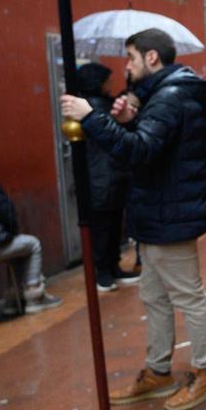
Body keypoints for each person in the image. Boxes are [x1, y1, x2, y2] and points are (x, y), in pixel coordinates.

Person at [60, 28, 206, 410]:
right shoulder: (162, 97)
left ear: (152, 58)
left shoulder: (169, 98)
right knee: (154, 296)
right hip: (157, 212)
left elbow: (139, 152)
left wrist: (91, 117)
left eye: (132, 58)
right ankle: (158, 371)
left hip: (170, 213)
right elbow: (151, 146)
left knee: (187, 294)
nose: (127, 66)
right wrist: (130, 119)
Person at [0, 140, 63, 315]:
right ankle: (34, 295)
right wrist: (6, 232)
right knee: (32, 244)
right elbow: (7, 214)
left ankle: (14, 299)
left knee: (16, 245)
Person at [78, 63, 139, 291]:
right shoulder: (93, 110)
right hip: (102, 176)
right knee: (103, 226)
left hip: (111, 174)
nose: (110, 85)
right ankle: (103, 271)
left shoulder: (105, 105)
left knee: (112, 224)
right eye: (107, 80)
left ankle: (112, 268)